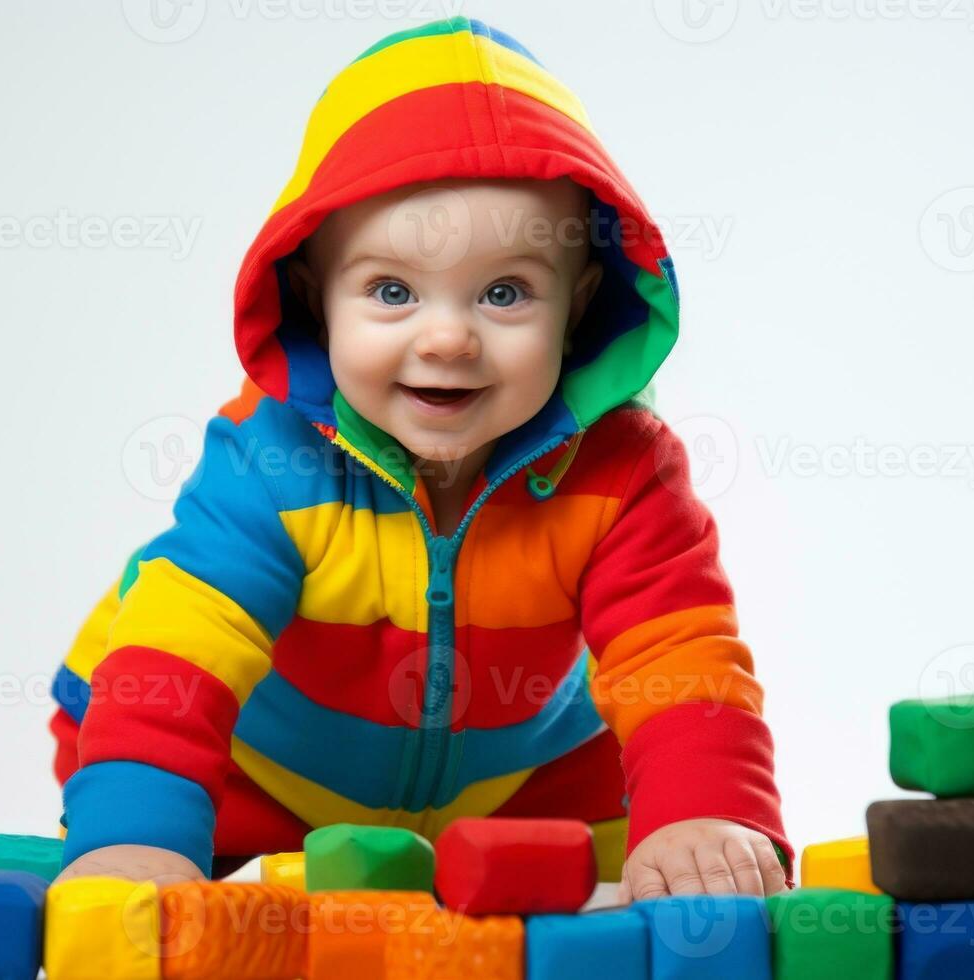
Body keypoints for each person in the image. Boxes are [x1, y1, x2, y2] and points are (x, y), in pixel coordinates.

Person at [48, 16, 793, 904]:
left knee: (626, 883)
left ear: (579, 301)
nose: (446, 337)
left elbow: (675, 649)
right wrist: (139, 835)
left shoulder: (624, 473)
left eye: (505, 292)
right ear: (312, 297)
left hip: (520, 790)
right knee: (184, 880)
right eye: (391, 291)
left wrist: (702, 814)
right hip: (258, 782)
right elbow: (184, 643)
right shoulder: (270, 462)